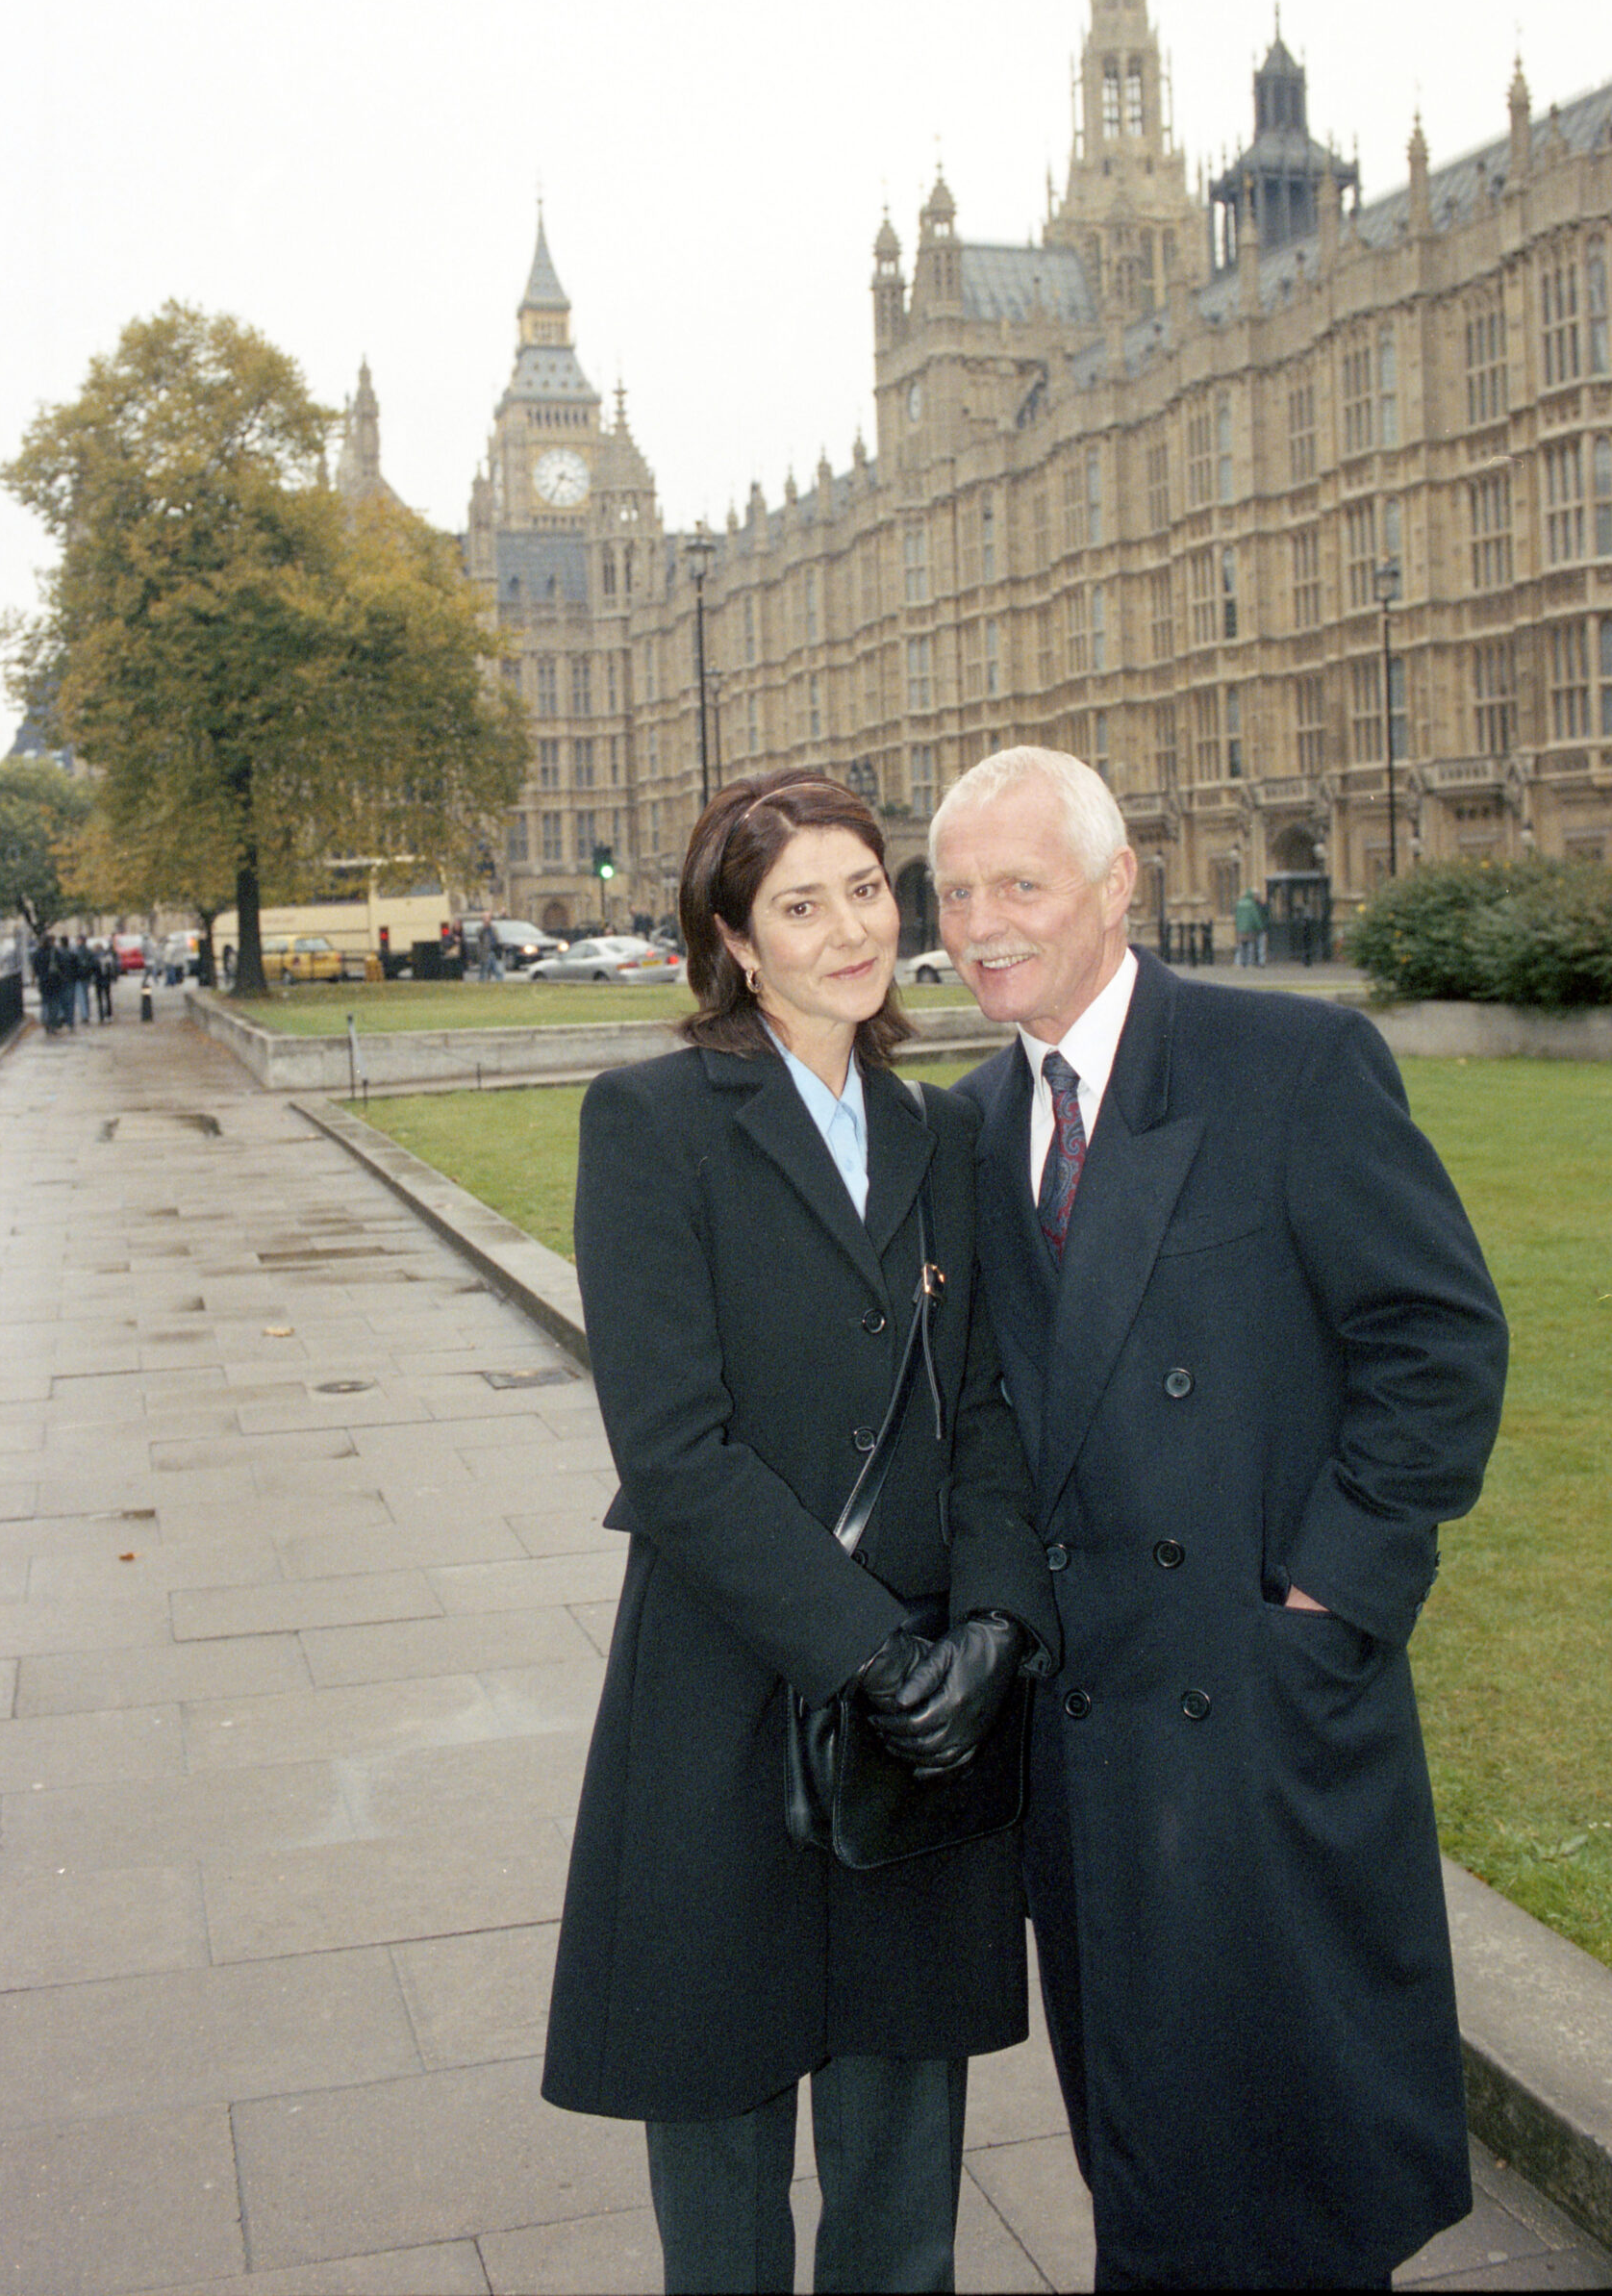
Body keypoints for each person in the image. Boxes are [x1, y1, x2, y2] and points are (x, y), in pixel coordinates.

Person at [929, 744, 1508, 2290]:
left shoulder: (1285, 1065)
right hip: (1087, 1734)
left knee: (1291, 2168)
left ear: (1120, 886)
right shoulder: (973, 1124)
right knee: (1140, 2144)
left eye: (1020, 885)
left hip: (1251, 1697)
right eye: (957, 891)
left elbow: (1436, 1341)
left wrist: (1330, 1596)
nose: (980, 923)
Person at [542, 769, 1057, 2295]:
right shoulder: (649, 1120)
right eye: (797, 904)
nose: (847, 929)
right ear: (734, 942)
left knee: (904, 2166)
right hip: (727, 1686)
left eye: (864, 889)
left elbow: (979, 1414)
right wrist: (865, 1651)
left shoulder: (941, 1133)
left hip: (924, 1709)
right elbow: (673, 1448)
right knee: (722, 2148)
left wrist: (991, 1629)